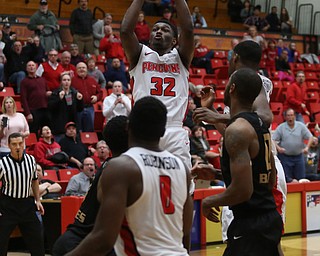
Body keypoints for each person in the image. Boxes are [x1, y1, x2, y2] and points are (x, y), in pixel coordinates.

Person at [65, 96, 193, 255]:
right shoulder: (183, 169)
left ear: (129, 126)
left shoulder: (121, 167)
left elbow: (103, 239)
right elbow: (186, 229)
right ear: (162, 131)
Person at [201, 68, 283, 255]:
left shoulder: (237, 130)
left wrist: (208, 201)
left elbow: (243, 191)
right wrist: (217, 174)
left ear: (232, 88)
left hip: (250, 225)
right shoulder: (260, 124)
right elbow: (270, 178)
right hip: (268, 219)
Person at [120, 0, 194, 170]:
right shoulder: (139, 54)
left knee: (182, 187)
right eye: (155, 29)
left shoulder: (181, 57)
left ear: (175, 40)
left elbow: (189, 30)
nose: (159, 32)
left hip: (174, 129)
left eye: (165, 30)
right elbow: (125, 31)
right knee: (144, 185)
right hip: (145, 128)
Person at [52, 115, 129, 256]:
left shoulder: (112, 164)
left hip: (73, 238)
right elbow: (105, 236)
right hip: (82, 244)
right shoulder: (119, 169)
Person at [0, 132, 45, 256]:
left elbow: (34, 180)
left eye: (20, 143)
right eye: (14, 144)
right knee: (1, 241)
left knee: (37, 241)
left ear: (24, 144)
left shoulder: (31, 160)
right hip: (8, 205)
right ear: (9, 146)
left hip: (27, 204)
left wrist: (38, 200)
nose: (18, 147)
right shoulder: (2, 163)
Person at [272, 108, 313, 183]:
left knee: (301, 180)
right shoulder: (281, 127)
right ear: (285, 117)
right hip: (286, 158)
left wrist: (307, 147)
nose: (290, 117)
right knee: (288, 180)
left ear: (295, 116)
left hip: (299, 157)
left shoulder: (301, 126)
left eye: (291, 115)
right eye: (288, 115)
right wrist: (278, 148)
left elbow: (310, 137)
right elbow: (273, 139)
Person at [20, 60, 52, 133]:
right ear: (26, 68)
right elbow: (23, 98)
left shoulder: (42, 79)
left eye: (33, 65)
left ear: (36, 67)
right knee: (33, 131)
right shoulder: (24, 82)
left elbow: (48, 91)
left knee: (46, 130)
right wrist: (28, 113)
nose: (31, 67)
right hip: (33, 110)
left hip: (45, 108)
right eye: (29, 65)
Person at [71, 62, 102, 132]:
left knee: (90, 130)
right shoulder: (72, 81)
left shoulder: (92, 80)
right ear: (76, 70)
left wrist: (96, 97)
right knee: (78, 130)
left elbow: (100, 92)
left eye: (83, 68)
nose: (82, 69)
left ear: (87, 69)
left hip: (90, 108)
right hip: (77, 109)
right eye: (79, 68)